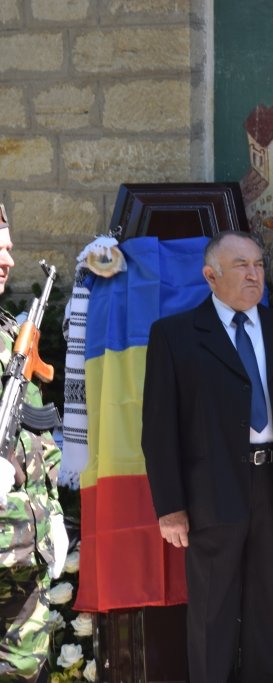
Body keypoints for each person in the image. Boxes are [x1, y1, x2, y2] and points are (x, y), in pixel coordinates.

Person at [142, 230, 273, 683]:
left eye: (259, 265)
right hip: (211, 497)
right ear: (211, 275)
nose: (254, 274)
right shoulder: (176, 336)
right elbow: (158, 429)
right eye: (241, 265)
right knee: (212, 618)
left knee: (270, 617)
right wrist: (170, 508)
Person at [0, 203, 68, 681]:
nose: (6, 261)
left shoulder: (11, 339)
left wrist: (56, 513)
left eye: (7, 250)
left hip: (23, 570)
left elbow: (39, 438)